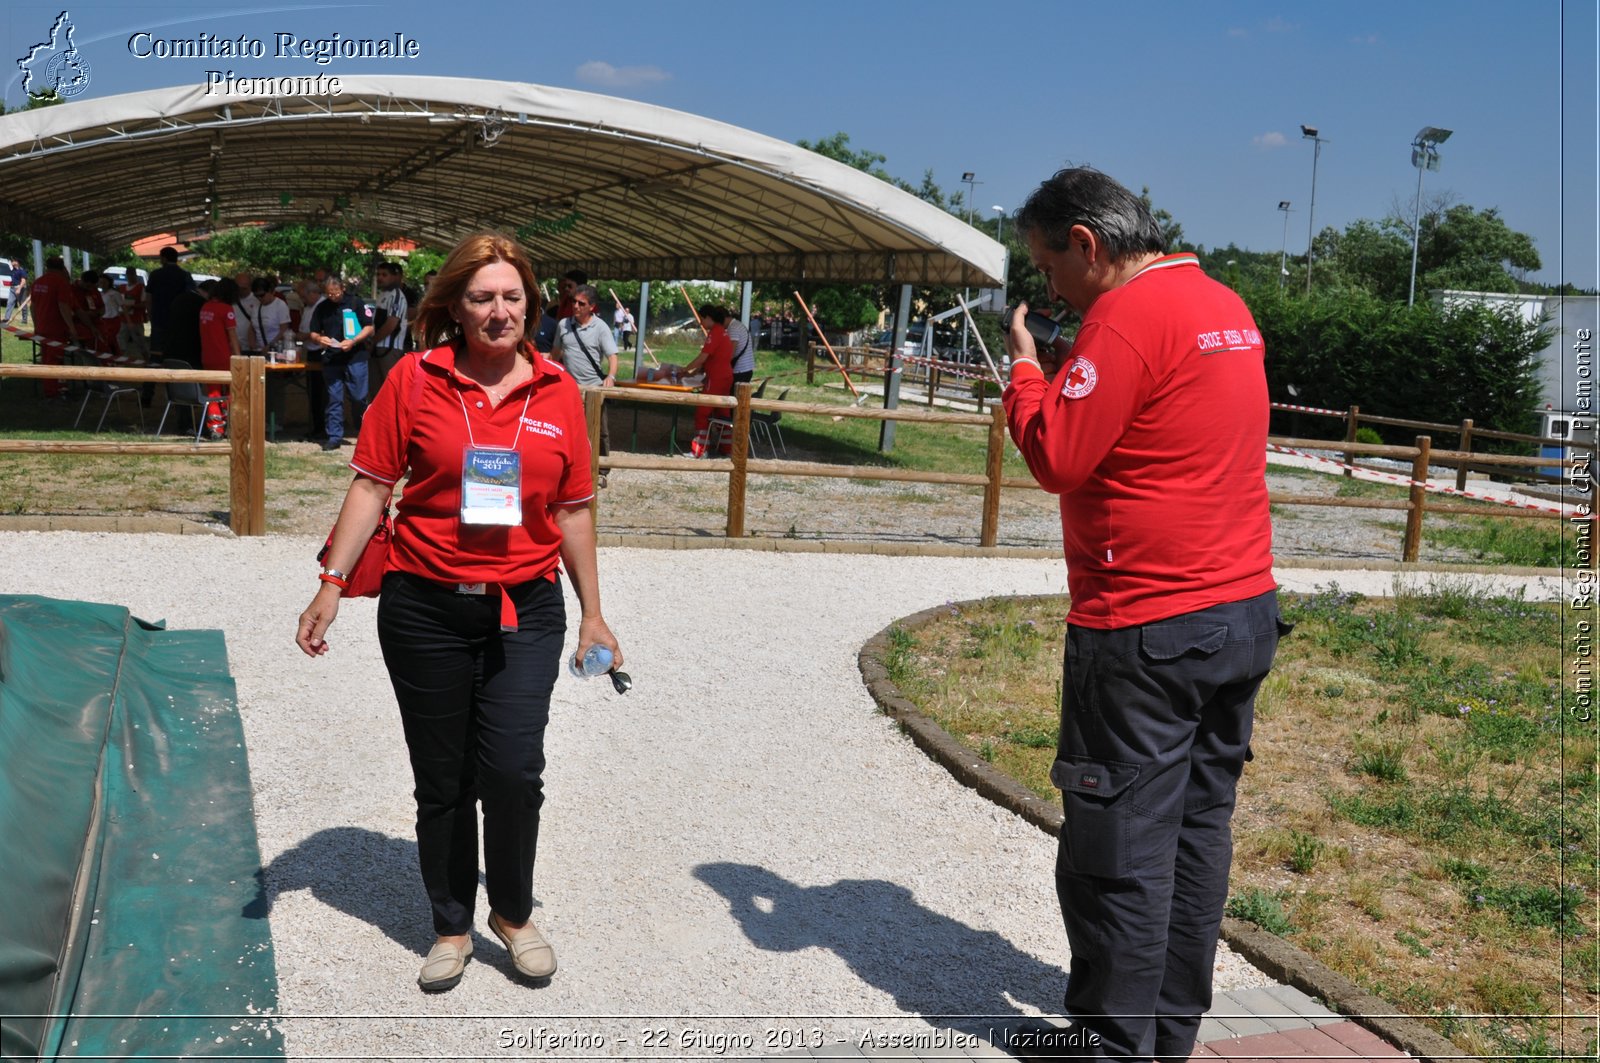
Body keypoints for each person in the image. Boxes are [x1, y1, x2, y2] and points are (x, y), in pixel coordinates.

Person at [999, 167, 1285, 1062]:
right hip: (1239, 607)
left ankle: (1113, 1045)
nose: (1048, 289)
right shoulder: (1225, 305)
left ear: (1086, 244)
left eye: (1048, 267)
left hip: (1145, 623)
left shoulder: (1126, 316)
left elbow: (1059, 453)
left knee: (1117, 842)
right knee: (1198, 832)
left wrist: (1023, 370)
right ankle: (1165, 1036)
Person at [294, 231, 623, 995]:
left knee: (511, 768)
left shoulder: (557, 392)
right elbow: (373, 485)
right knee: (441, 778)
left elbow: (573, 508)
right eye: (482, 297)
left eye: (512, 296)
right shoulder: (415, 378)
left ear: (532, 307)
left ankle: (512, 912)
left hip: (524, 608)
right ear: (455, 306)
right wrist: (331, 583)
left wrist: (594, 613)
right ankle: (450, 924)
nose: (499, 310)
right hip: (425, 608)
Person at [549, 284, 617, 483]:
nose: (576, 306)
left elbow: (612, 356)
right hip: (569, 389)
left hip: (595, 388)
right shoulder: (563, 325)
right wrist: (551, 373)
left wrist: (610, 377)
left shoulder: (601, 327)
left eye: (581, 303)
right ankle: (568, 467)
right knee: (566, 428)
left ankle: (601, 470)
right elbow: (556, 354)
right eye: (573, 302)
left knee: (600, 430)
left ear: (592, 306)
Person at [308, 276, 375, 451]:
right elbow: (313, 332)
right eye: (329, 294)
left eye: (335, 293)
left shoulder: (356, 303)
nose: (333, 297)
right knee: (333, 398)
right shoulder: (322, 308)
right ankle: (334, 436)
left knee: (358, 398)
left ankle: (364, 432)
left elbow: (369, 327)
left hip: (355, 357)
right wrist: (319, 339)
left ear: (342, 288)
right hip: (332, 358)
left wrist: (353, 341)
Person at [681, 305, 734, 457]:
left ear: (709, 318)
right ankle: (726, 448)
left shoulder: (715, 333)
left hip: (716, 378)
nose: (701, 323)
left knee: (702, 413)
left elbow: (703, 357)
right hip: (725, 377)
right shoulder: (722, 332)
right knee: (721, 413)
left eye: (702, 319)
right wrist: (694, 372)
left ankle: (699, 450)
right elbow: (709, 359)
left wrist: (685, 369)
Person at [28, 256, 79, 399]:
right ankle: (55, 391)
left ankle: (50, 389)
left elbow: (33, 307)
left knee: (46, 359)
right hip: (56, 329)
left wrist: (37, 324)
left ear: (47, 267)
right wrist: (72, 327)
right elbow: (63, 306)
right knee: (56, 360)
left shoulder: (38, 282)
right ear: (62, 267)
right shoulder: (61, 283)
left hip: (42, 328)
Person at [198, 277, 242, 438]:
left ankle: (215, 428)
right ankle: (231, 425)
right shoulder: (226, 309)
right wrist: (239, 357)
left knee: (213, 392)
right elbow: (232, 336)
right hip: (224, 357)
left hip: (207, 356)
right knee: (232, 391)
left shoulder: (205, 307)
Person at [370, 261, 410, 393]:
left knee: (389, 390)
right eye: (378, 274)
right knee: (376, 389)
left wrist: (373, 340)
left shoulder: (397, 296)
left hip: (389, 349)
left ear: (394, 277)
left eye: (384, 275)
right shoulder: (383, 295)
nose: (380, 277)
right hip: (378, 348)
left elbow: (391, 324)